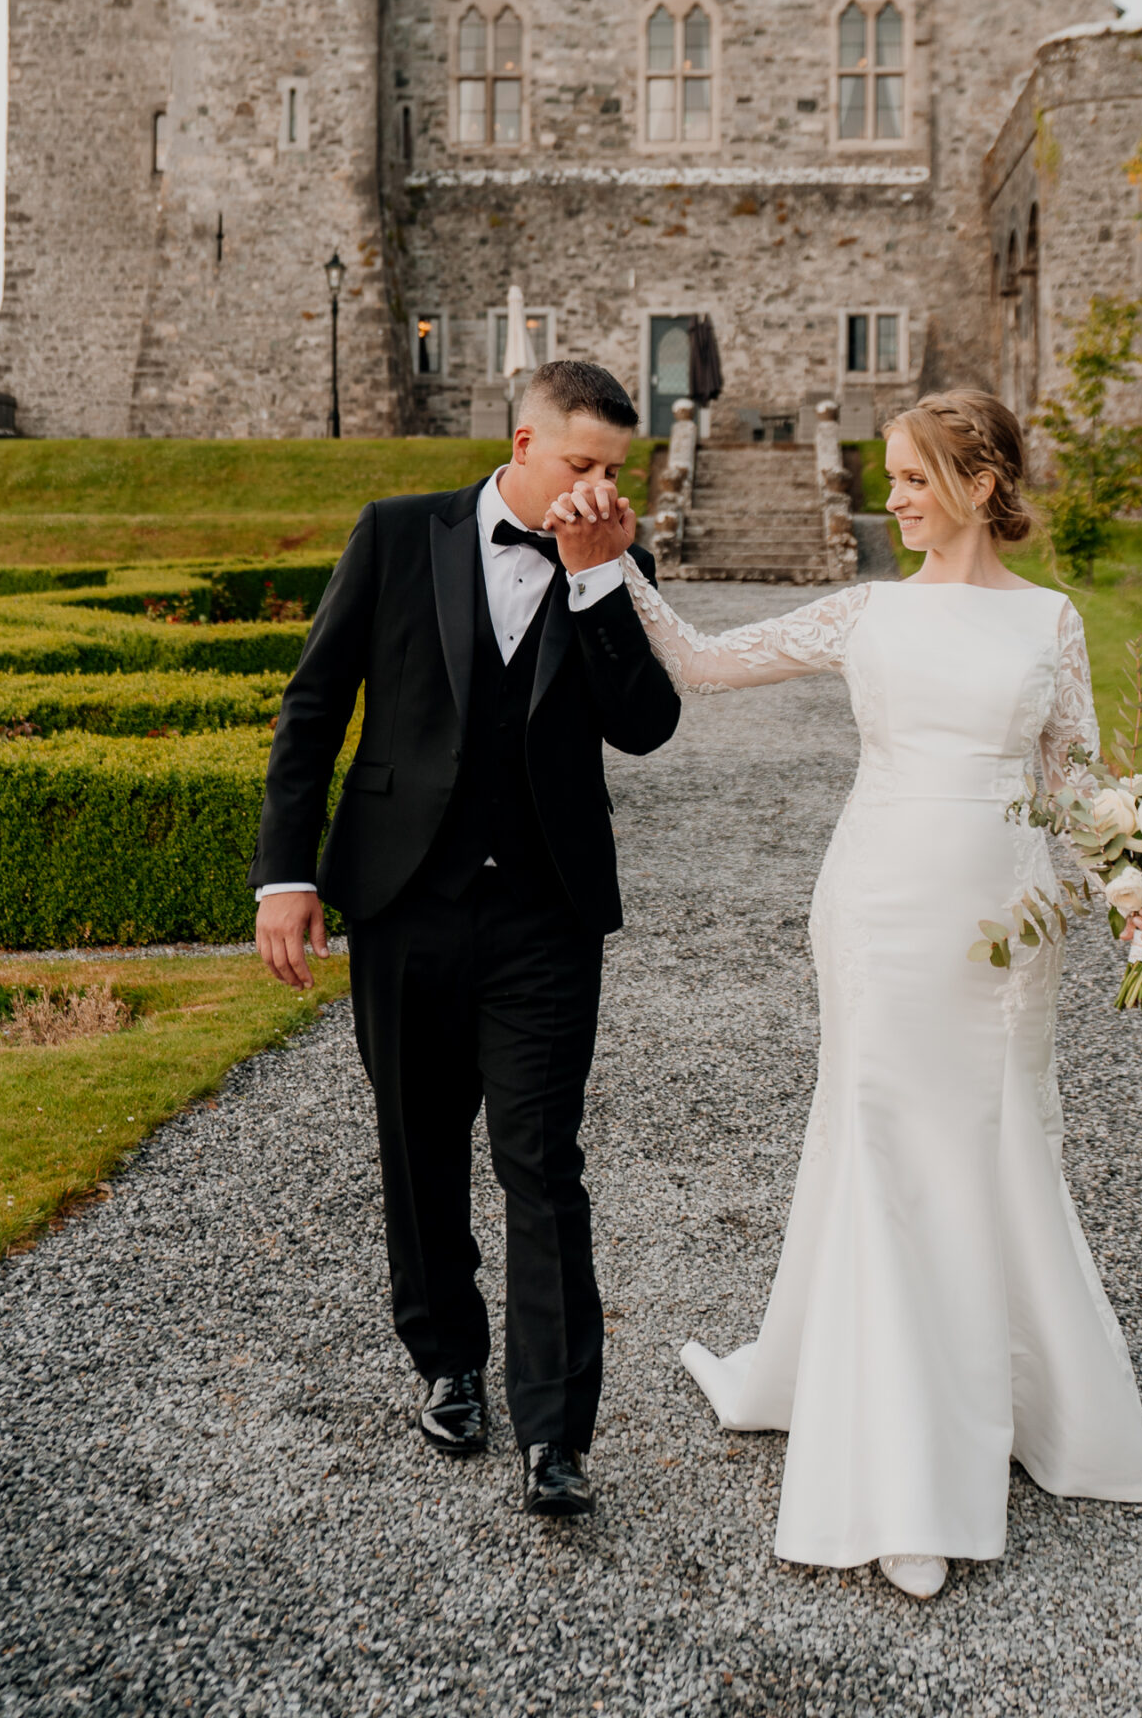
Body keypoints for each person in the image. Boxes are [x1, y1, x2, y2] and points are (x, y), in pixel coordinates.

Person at [545, 388, 1142, 1596]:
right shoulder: (868, 612)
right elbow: (704, 662)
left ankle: (1029, 1406)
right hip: (881, 915)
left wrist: (1134, 896)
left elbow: (1080, 785)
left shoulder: (1051, 622)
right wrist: (616, 568)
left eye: (909, 478)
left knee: (997, 1151)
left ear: (981, 486)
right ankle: (903, 1477)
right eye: (886, 476)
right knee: (888, 1153)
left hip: (1009, 920)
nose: (890, 497)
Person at [252, 359, 679, 1517]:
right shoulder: (398, 535)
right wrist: (286, 874)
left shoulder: (620, 560)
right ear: (524, 443)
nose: (599, 487)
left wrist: (597, 586)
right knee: (419, 1146)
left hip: (547, 912)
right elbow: (313, 705)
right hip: (404, 901)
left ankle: (555, 1430)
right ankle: (447, 1361)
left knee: (543, 1161)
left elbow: (646, 727)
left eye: (614, 471)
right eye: (581, 464)